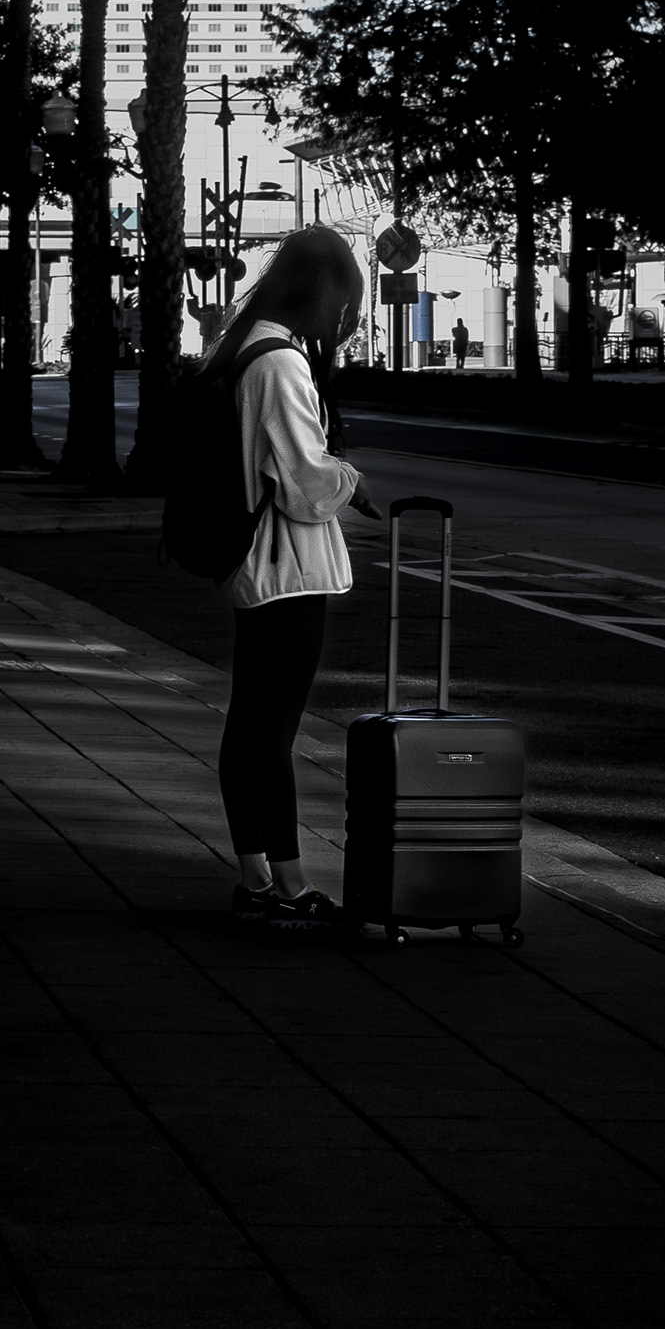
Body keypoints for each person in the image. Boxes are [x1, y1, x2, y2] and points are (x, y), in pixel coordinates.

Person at [205, 227, 381, 932]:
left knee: (248, 722)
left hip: (255, 563)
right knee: (272, 732)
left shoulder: (245, 346)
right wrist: (351, 478)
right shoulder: (280, 362)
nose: (342, 321)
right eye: (344, 307)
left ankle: (255, 876)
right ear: (321, 294)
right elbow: (306, 486)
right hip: (287, 569)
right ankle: (290, 884)